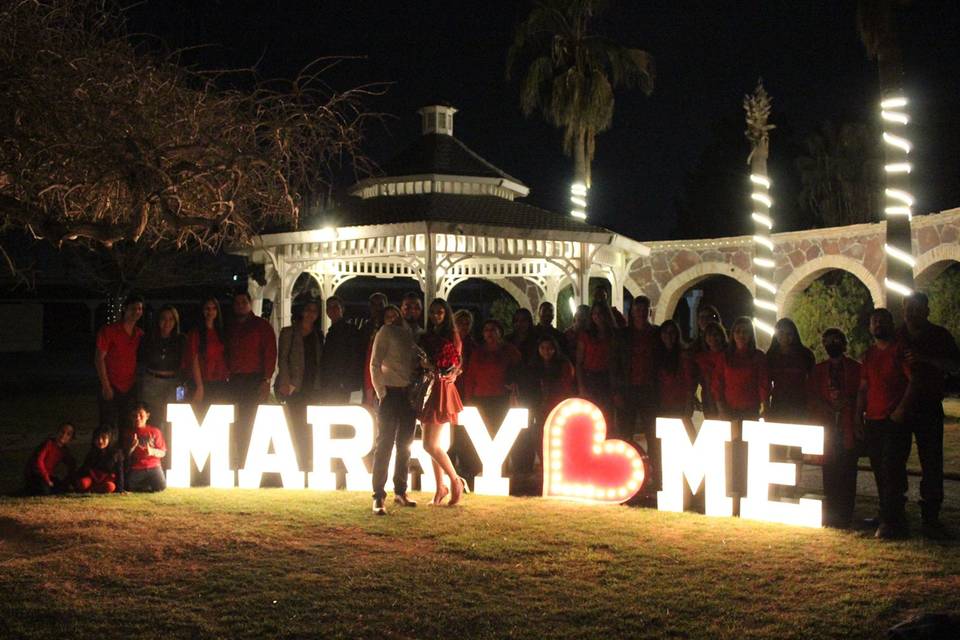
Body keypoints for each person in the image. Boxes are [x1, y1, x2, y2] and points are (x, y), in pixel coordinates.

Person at [896, 292, 960, 538]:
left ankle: (931, 516)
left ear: (927, 310)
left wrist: (926, 359)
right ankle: (895, 511)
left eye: (916, 308)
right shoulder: (897, 335)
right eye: (908, 308)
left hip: (928, 405)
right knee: (895, 460)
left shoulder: (940, 336)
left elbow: (955, 366)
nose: (911, 312)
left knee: (932, 461)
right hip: (900, 406)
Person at [856, 308, 912, 539]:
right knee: (879, 468)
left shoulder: (900, 351)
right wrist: (858, 415)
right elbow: (863, 388)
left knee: (892, 469)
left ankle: (892, 521)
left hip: (894, 421)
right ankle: (886, 513)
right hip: (873, 420)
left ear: (891, 324)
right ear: (870, 327)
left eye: (883, 321)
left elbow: (913, 381)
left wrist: (901, 410)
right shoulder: (869, 354)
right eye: (874, 321)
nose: (878, 325)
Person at [369, 304, 419, 515]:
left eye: (394, 314)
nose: (391, 318)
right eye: (387, 315)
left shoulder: (411, 333)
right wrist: (382, 392)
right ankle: (378, 495)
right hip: (390, 394)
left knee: (405, 445)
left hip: (408, 395)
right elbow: (374, 364)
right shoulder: (384, 332)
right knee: (385, 445)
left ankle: (400, 491)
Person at [809, 328, 861, 528]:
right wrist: (827, 406)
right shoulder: (818, 370)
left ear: (844, 343)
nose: (832, 344)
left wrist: (849, 403)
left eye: (836, 340)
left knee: (848, 468)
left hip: (848, 424)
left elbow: (863, 392)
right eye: (828, 341)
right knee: (829, 469)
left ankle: (846, 513)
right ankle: (831, 511)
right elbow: (811, 396)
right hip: (828, 425)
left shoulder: (855, 368)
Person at [713, 316, 769, 504]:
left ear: (750, 334)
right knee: (730, 451)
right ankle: (731, 488)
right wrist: (721, 408)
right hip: (729, 411)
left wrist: (764, 407)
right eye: (738, 331)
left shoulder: (758, 356)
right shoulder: (725, 356)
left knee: (747, 452)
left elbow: (763, 384)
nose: (741, 335)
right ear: (732, 334)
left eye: (745, 331)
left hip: (750, 411)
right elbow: (717, 383)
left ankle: (746, 488)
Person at [418, 298, 466, 506]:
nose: (436, 315)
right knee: (432, 444)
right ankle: (440, 487)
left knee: (429, 444)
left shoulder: (451, 336)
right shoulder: (429, 334)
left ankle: (455, 481)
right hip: (428, 389)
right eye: (433, 312)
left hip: (441, 389)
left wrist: (433, 367)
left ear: (446, 314)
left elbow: (453, 365)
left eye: (440, 312)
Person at [461, 319, 522, 480]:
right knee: (482, 436)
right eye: (486, 330)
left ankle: (501, 469)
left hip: (501, 398)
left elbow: (519, 372)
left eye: (493, 329)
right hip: (480, 399)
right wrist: (468, 401)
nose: (489, 333)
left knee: (499, 434)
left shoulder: (510, 350)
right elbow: (470, 377)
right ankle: (479, 469)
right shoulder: (478, 352)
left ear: (500, 332)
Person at [225, 291, 277, 466]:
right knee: (235, 421)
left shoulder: (261, 326)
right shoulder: (230, 327)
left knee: (251, 420)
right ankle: (238, 457)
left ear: (250, 303)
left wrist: (266, 379)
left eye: (243, 301)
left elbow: (270, 353)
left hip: (254, 380)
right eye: (237, 302)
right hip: (233, 381)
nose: (240, 305)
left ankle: (252, 459)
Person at [276, 298, 324, 467]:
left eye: (315, 311)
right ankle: (297, 458)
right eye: (308, 309)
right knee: (295, 422)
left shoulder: (318, 334)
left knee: (309, 423)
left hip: (313, 385)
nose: (311, 314)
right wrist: (285, 381)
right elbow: (282, 358)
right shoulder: (289, 332)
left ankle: (308, 457)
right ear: (301, 311)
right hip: (294, 386)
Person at [520, 335, 576, 476]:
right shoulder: (533, 366)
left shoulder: (564, 365)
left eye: (550, 348)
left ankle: (561, 466)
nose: (546, 351)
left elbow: (566, 386)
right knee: (539, 435)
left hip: (557, 405)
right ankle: (546, 465)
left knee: (559, 436)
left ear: (555, 349)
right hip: (539, 407)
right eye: (543, 348)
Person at [138, 304, 185, 460]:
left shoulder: (181, 340)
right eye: (164, 319)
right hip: (152, 383)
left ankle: (173, 458)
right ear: (158, 321)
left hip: (175, 384)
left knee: (175, 421)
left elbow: (185, 366)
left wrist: (182, 392)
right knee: (155, 422)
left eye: (171, 319)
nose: (167, 322)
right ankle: (155, 458)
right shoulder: (149, 339)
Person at [95, 294, 144, 437]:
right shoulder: (109, 331)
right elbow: (99, 358)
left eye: (140, 309)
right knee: (106, 426)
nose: (137, 312)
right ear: (125, 309)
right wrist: (105, 385)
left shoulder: (139, 334)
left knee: (127, 426)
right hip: (111, 386)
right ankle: (104, 456)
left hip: (129, 387)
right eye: (133, 308)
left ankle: (124, 457)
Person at [616, 295, 659, 444]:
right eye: (637, 309)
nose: (641, 312)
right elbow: (615, 364)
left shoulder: (656, 334)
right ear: (632, 312)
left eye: (644, 309)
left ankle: (654, 465)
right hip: (628, 389)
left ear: (649, 312)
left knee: (652, 433)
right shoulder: (623, 335)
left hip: (649, 389)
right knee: (626, 431)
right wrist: (617, 391)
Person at [766, 318, 815, 422]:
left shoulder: (805, 355)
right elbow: (766, 383)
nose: (784, 337)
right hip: (778, 404)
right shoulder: (771, 356)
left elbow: (813, 381)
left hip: (800, 404)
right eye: (781, 333)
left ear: (794, 335)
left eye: (789, 334)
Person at [576, 302, 617, 426]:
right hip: (590, 378)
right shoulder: (585, 335)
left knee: (607, 415)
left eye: (600, 313)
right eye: (594, 313)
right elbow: (579, 362)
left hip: (608, 378)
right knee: (590, 416)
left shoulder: (614, 335)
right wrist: (581, 386)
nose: (597, 316)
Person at [187, 296, 229, 406]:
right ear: (202, 310)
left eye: (214, 308)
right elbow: (194, 359)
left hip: (220, 381)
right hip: (203, 380)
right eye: (207, 308)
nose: (210, 312)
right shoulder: (195, 333)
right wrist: (200, 386)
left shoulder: (221, 332)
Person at [319, 295, 361, 403]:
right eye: (329, 307)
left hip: (341, 383)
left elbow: (354, 357)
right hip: (329, 382)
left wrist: (345, 381)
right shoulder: (331, 332)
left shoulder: (350, 330)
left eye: (335, 307)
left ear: (342, 309)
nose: (332, 310)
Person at [125, 402, 167, 492]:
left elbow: (163, 452)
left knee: (161, 486)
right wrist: (131, 448)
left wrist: (152, 451)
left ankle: (146, 485)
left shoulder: (155, 432)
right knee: (128, 486)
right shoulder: (128, 433)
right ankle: (146, 486)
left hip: (153, 466)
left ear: (147, 416)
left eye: (141, 415)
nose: (138, 418)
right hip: (137, 467)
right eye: (134, 416)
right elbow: (125, 456)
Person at [23, 423, 76, 495]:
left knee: (62, 488)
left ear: (71, 438)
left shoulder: (64, 450)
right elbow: (39, 461)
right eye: (62, 432)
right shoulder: (49, 444)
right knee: (45, 491)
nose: (64, 436)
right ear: (57, 432)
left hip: (48, 476)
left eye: (68, 434)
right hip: (36, 475)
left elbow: (71, 464)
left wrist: (70, 479)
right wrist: (47, 479)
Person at [75, 428, 125, 494]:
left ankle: (93, 490)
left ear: (109, 439)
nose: (100, 441)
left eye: (104, 438)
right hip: (92, 479)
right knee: (82, 483)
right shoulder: (92, 453)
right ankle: (92, 489)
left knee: (110, 486)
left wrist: (120, 489)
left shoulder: (116, 454)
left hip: (106, 480)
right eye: (97, 438)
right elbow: (85, 468)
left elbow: (120, 471)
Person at [693, 321, 727, 418]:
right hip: (708, 398)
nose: (712, 338)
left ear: (721, 335)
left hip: (727, 397)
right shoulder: (701, 358)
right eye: (709, 335)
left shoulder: (728, 355)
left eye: (715, 334)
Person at [361, 292, 389, 406]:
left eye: (380, 305)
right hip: (367, 372)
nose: (377, 308)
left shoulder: (390, 328)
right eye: (374, 305)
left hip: (386, 374)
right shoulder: (365, 327)